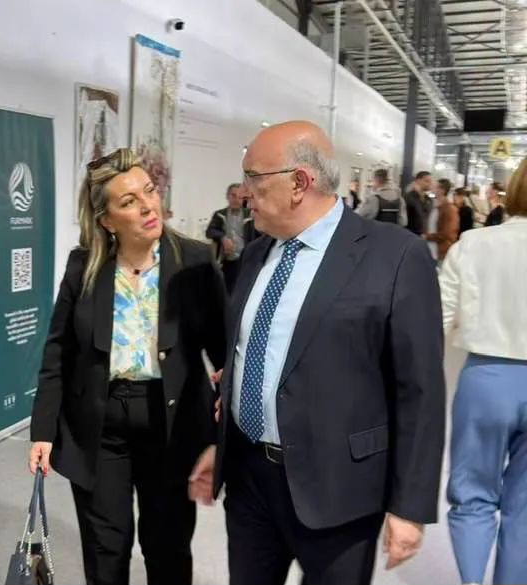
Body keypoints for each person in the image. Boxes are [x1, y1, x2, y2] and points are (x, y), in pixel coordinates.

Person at [189, 121, 445, 585]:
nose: (244, 193)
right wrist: (220, 442)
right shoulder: (256, 254)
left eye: (253, 178)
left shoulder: (395, 255)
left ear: (299, 183)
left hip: (339, 491)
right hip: (250, 482)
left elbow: (420, 392)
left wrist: (409, 507)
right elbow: (248, 354)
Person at [29, 147, 228, 585]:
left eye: (150, 191)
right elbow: (58, 350)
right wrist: (43, 429)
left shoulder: (195, 260)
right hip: (100, 428)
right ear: (107, 220)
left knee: (167, 545)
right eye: (129, 201)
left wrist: (221, 438)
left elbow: (224, 353)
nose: (148, 206)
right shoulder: (84, 265)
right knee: (107, 548)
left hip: (172, 425)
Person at [440, 160, 527, 585]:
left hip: (487, 377)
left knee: (472, 493)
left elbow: (437, 317)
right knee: (525, 506)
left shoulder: (474, 244)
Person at [207, 182, 259, 292]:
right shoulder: (220, 215)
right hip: (226, 261)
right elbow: (210, 231)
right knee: (226, 290)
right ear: (227, 196)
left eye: (239, 196)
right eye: (233, 195)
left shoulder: (251, 215)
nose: (236, 199)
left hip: (246, 260)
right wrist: (223, 238)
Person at [423, 178, 459, 263]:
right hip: (431, 251)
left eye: (435, 187)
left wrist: (427, 237)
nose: (432, 188)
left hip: (440, 253)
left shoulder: (449, 209)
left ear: (442, 190)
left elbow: (447, 233)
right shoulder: (435, 206)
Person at [404, 171, 433, 236]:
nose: (429, 184)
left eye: (430, 182)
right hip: (412, 234)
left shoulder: (429, 197)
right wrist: (419, 193)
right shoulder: (409, 197)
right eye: (427, 181)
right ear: (418, 181)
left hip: (425, 235)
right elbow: (419, 213)